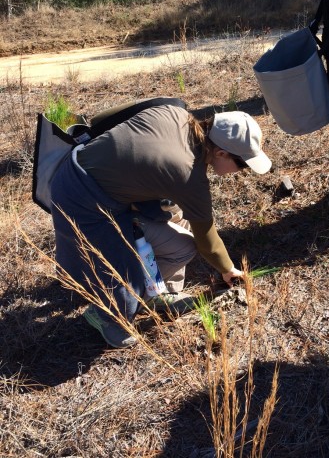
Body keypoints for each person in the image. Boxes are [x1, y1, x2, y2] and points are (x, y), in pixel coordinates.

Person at [50, 103, 272, 348]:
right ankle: (105, 315)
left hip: (78, 167)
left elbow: (105, 116)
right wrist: (229, 270)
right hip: (84, 200)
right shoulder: (188, 177)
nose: (240, 172)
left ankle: (160, 294)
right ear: (221, 153)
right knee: (128, 288)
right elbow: (207, 243)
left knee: (178, 230)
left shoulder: (175, 112)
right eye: (242, 165)